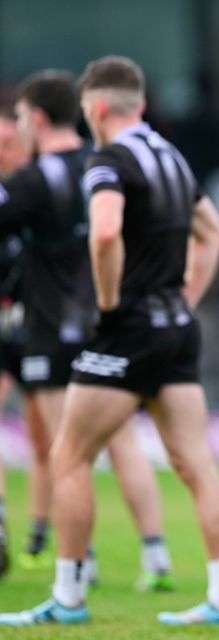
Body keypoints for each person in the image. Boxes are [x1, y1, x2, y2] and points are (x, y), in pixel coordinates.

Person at [0, 55, 219, 626]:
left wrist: (107, 304)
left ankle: (68, 597)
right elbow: (215, 232)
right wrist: (184, 297)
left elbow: (105, 231)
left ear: (97, 108)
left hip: (126, 330)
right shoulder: (170, 155)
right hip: (177, 328)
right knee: (195, 462)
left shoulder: (109, 157)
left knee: (69, 456)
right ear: (141, 104)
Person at [0, 71, 177, 590]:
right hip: (107, 324)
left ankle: (84, 560)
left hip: (52, 328)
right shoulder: (103, 163)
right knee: (121, 442)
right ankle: (156, 555)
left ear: (34, 118)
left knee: (65, 451)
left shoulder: (34, 179)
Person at [0, 104, 31, 579]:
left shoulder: (43, 189)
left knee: (60, 445)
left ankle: (69, 548)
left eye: (8, 143)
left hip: (44, 326)